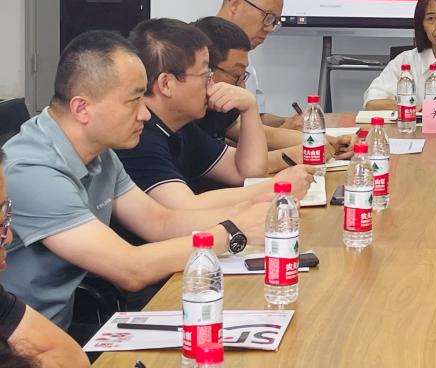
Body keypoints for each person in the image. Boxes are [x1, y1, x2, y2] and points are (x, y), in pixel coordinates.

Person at [1, 31, 267, 330]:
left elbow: (159, 221)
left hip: (56, 328)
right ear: (82, 108)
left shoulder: (99, 151)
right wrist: (232, 232)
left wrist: (247, 214)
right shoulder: (33, 172)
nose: (144, 114)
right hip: (20, 342)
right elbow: (131, 269)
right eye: (134, 100)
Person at [115, 18, 316, 210]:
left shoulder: (181, 126)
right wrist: (277, 186)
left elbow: (247, 171)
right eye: (206, 75)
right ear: (166, 84)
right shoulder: (139, 134)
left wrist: (249, 108)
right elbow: (185, 207)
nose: (212, 85)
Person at [192, 16, 351, 171]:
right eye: (236, 75)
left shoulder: (217, 107)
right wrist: (305, 152)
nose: (242, 86)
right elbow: (244, 166)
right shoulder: (188, 122)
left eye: (243, 76)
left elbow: (269, 136)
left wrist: (332, 142)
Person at [0, 150, 89, 367]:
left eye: (4, 214)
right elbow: (133, 270)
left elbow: (67, 356)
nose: (8, 237)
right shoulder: (32, 169)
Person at [215, 0, 299, 128]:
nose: (269, 28)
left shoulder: (243, 54)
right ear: (235, 5)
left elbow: (255, 117)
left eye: (275, 22)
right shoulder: (202, 52)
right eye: (268, 17)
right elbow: (225, 131)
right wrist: (285, 131)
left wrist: (291, 122)